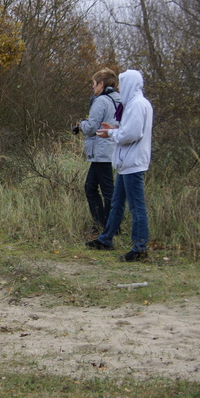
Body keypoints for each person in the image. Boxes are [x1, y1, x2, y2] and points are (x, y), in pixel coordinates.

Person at [85, 69, 153, 262]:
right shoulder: (132, 104)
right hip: (126, 163)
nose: (119, 88)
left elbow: (132, 135)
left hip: (133, 163)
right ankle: (106, 239)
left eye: (122, 84)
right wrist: (116, 129)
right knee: (116, 204)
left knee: (136, 207)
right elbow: (129, 129)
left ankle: (139, 248)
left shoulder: (137, 105)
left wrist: (112, 134)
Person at [76, 68, 121, 233]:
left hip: (101, 151)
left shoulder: (101, 101)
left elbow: (91, 127)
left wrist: (82, 125)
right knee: (92, 187)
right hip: (112, 149)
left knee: (102, 190)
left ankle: (109, 226)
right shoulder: (119, 99)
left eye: (94, 84)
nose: (92, 88)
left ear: (101, 84)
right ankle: (104, 224)